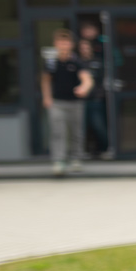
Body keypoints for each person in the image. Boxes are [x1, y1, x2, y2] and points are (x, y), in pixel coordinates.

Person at [39, 28, 92, 176]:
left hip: (75, 103)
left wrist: (84, 88)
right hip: (57, 103)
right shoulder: (51, 62)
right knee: (58, 132)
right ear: (56, 44)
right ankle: (59, 161)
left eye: (66, 42)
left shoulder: (77, 62)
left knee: (76, 132)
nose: (63, 45)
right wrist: (47, 97)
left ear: (71, 44)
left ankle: (76, 159)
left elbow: (87, 79)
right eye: (61, 42)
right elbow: (45, 81)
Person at [76, 19, 110, 159]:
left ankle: (103, 149)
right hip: (80, 100)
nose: (84, 50)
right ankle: (84, 151)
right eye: (82, 48)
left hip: (96, 99)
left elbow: (103, 79)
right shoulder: (77, 63)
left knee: (98, 125)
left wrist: (100, 93)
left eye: (86, 47)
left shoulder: (98, 61)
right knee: (82, 128)